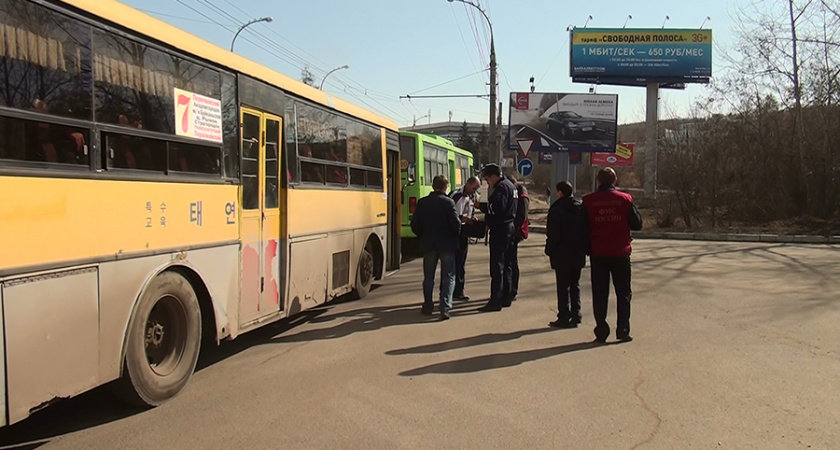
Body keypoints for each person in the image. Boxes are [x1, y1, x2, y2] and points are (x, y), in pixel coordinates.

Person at [582, 167, 643, 342]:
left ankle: (601, 331)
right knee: (623, 292)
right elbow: (637, 224)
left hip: (598, 253)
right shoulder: (625, 199)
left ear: (598, 181)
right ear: (615, 181)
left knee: (600, 293)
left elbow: (582, 229)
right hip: (620, 253)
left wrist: (588, 248)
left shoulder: (588, 201)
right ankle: (623, 330)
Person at [410, 175, 461, 320]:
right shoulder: (449, 203)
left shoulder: (423, 203)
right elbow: (456, 225)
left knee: (428, 277)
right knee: (449, 276)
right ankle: (445, 307)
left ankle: (428, 306)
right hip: (447, 245)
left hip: (428, 244)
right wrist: (454, 236)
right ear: (445, 187)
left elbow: (415, 225)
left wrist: (422, 236)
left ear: (433, 186)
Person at [545, 181, 588, 329]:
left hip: (562, 253)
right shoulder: (580, 207)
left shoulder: (556, 210)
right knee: (575, 284)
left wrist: (549, 249)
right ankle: (576, 314)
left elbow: (553, 234)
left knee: (563, 286)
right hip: (578, 252)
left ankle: (563, 315)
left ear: (560, 192)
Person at [477, 164, 517, 312]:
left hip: (500, 229)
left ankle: (496, 300)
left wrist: (483, 208)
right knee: (507, 264)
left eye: (488, 178)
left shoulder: (501, 189)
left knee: (497, 265)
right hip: (510, 227)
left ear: (494, 175)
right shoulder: (511, 186)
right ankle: (507, 296)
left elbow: (497, 209)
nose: (488, 181)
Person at [450, 176, 481, 301]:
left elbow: (470, 210)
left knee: (461, 262)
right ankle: (450, 291)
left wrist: (472, 218)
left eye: (476, 189)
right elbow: (451, 214)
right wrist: (464, 218)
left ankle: (459, 291)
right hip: (453, 232)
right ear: (468, 184)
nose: (474, 191)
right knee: (452, 263)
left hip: (464, 231)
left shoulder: (472, 196)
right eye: (473, 188)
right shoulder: (455, 195)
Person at [509, 176, 530, 301]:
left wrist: (513, 227)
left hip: (516, 232)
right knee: (511, 261)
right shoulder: (520, 194)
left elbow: (522, 216)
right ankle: (510, 288)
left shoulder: (522, 197)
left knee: (513, 261)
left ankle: (513, 289)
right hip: (515, 230)